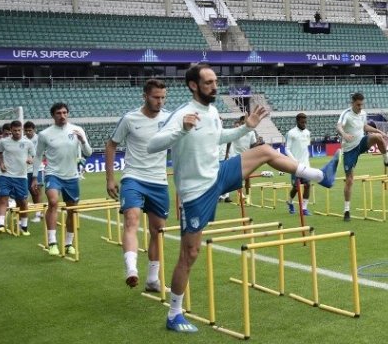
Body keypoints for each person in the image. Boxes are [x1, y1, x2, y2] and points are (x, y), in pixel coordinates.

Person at [146, 64, 338, 333]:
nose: (215, 86)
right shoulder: (182, 115)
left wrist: (246, 128)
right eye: (209, 82)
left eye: (215, 81)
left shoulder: (212, 111)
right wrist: (182, 130)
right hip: (196, 191)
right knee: (190, 254)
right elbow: (152, 144)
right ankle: (174, 314)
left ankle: (320, 176)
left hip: (219, 174)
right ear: (193, 85)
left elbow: (218, 137)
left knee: (265, 151)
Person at [106, 79, 170, 292]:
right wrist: (110, 178)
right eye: (155, 97)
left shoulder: (170, 118)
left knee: (158, 230)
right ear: (145, 96)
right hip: (133, 177)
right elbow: (111, 144)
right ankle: (131, 269)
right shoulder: (130, 118)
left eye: (163, 97)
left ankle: (152, 280)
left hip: (159, 181)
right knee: (131, 220)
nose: (160, 101)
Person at [34, 103, 93, 256]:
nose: (62, 115)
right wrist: (35, 177)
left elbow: (88, 152)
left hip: (72, 176)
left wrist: (82, 141)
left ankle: (68, 244)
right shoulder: (45, 134)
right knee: (53, 202)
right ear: (53, 115)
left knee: (72, 210)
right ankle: (52, 242)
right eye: (59, 113)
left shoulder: (77, 130)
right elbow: (38, 156)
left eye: (65, 112)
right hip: (53, 174)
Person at [337, 92, 388, 222]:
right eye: (358, 105)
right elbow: (338, 126)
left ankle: (387, 161)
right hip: (349, 150)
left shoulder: (363, 113)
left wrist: (379, 131)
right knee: (349, 180)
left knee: (378, 137)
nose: (360, 107)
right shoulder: (346, 114)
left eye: (362, 104)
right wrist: (344, 134)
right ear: (353, 103)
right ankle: (347, 210)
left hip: (361, 143)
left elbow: (364, 126)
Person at [0, 120, 36, 235]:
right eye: (14, 130)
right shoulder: (4, 142)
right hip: (6, 175)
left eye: (19, 130)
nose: (17, 132)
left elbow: (35, 156)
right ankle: (0, 223)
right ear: (10, 130)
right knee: (2, 197)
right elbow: (0, 153)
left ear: (22, 130)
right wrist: (1, 163)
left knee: (22, 201)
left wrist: (31, 159)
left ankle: (24, 225)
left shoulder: (28, 143)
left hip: (21, 176)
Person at [222, 116, 257, 204]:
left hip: (246, 156)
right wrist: (226, 153)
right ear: (241, 122)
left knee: (247, 178)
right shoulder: (238, 130)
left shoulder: (252, 132)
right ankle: (236, 195)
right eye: (244, 122)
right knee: (236, 177)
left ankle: (248, 197)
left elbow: (253, 145)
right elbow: (229, 141)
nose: (245, 123)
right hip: (235, 156)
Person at [285, 113, 312, 216]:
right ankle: (290, 202)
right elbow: (287, 149)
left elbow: (306, 148)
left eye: (305, 122)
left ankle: (304, 208)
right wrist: (294, 160)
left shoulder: (307, 133)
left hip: (305, 165)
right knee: (296, 187)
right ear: (297, 121)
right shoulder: (291, 133)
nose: (304, 124)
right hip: (295, 165)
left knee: (307, 185)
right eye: (302, 122)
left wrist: (307, 163)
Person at [24, 121, 45, 222]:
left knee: (37, 190)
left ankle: (38, 214)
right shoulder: (22, 139)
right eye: (26, 130)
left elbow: (42, 153)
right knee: (29, 192)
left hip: (38, 168)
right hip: (25, 169)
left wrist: (34, 159)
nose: (28, 132)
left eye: (30, 130)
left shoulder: (39, 138)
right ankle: (29, 213)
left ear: (34, 130)